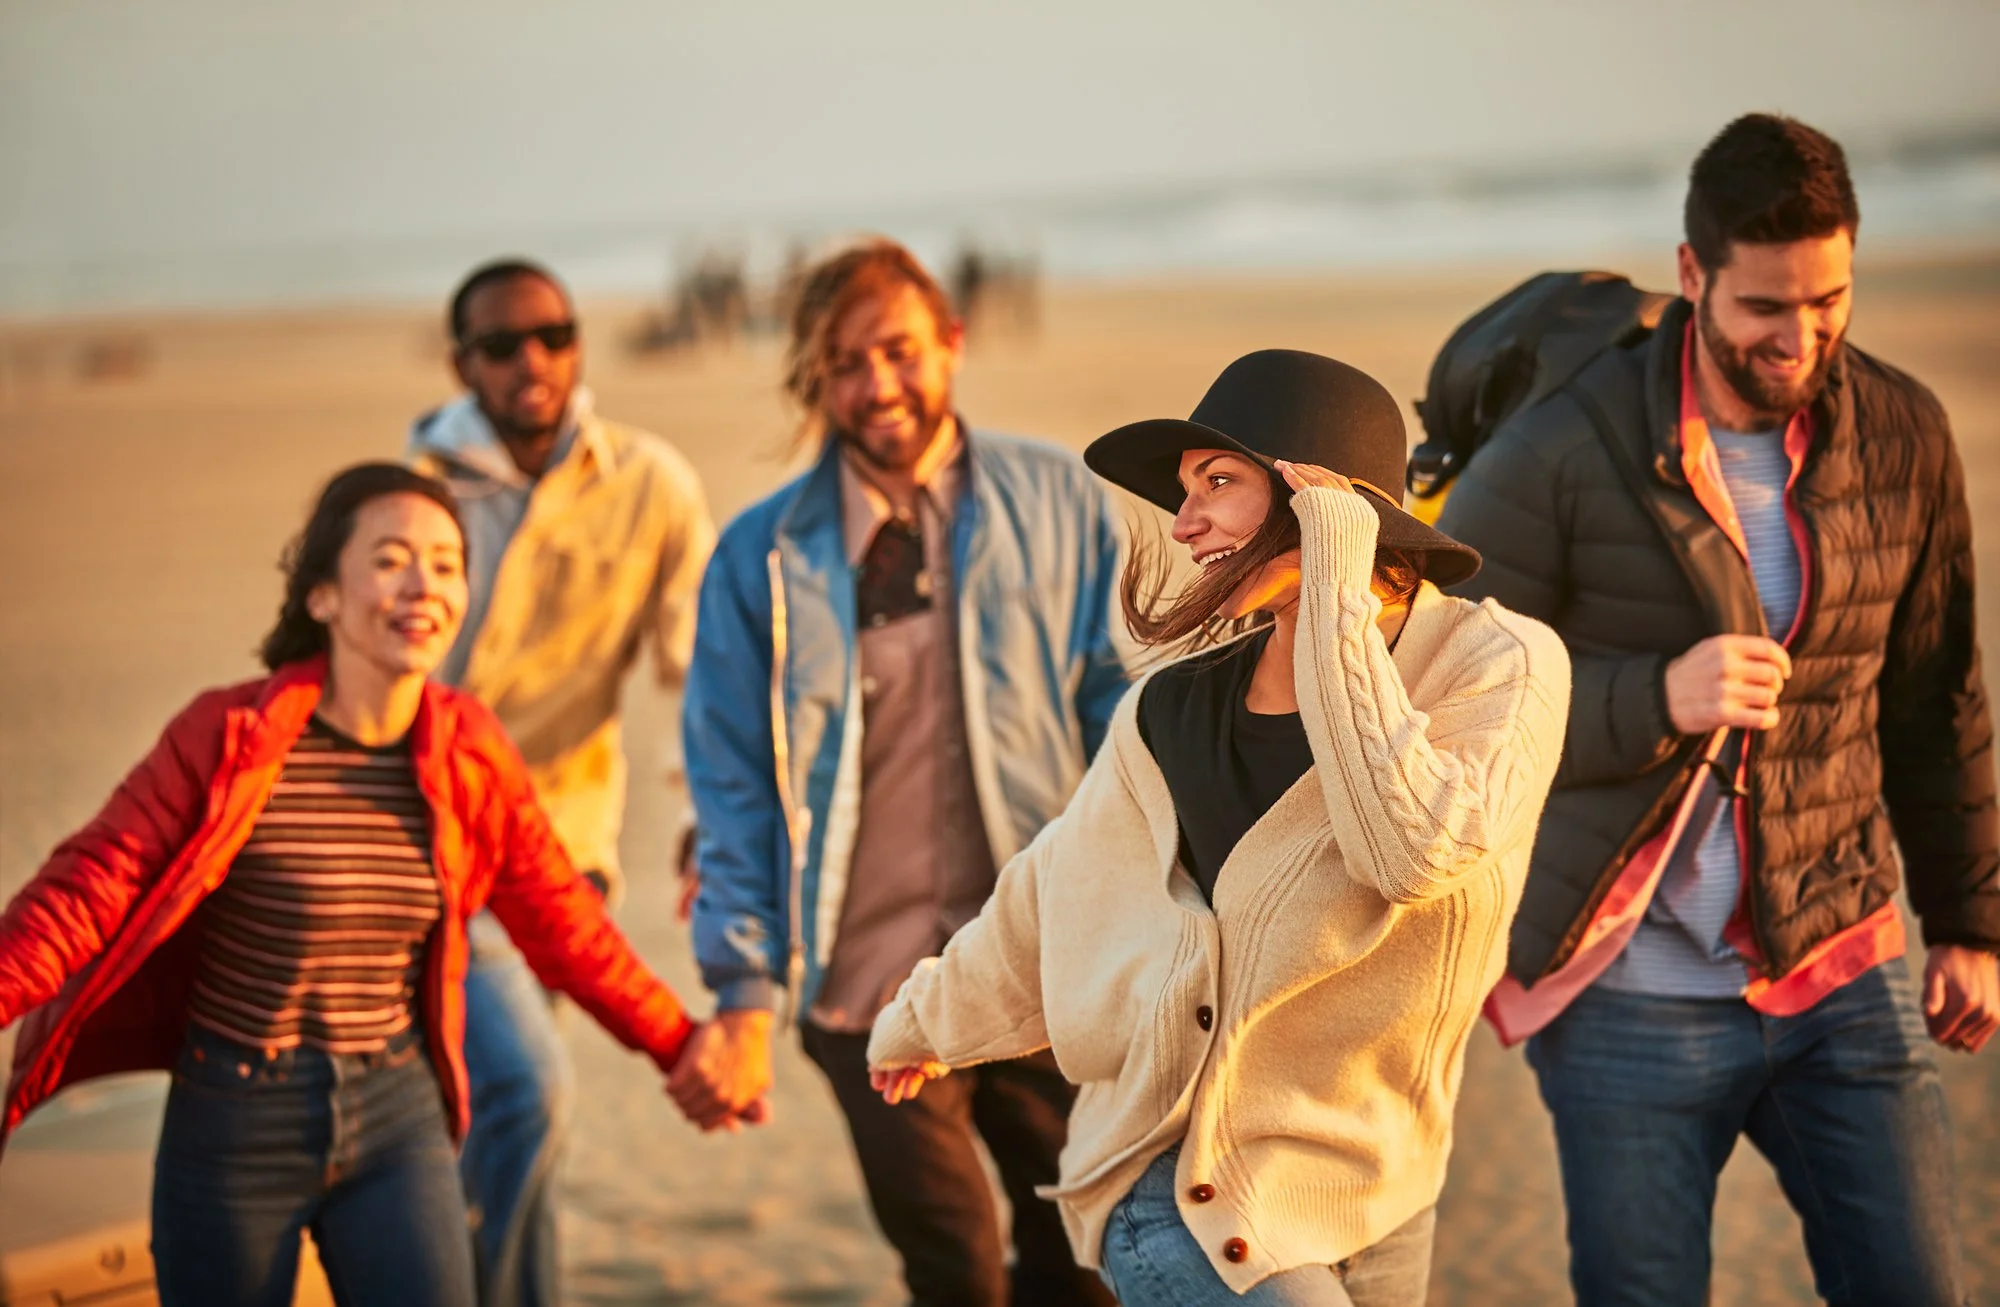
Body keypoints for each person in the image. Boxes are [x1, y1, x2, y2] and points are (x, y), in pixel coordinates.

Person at [866, 349, 1573, 1307]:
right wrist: (921, 1023)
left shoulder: (1498, 668)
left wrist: (1334, 581)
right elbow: (1050, 889)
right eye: (1186, 490)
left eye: (1219, 483)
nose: (1184, 519)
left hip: (1382, 1184)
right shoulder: (1172, 711)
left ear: (1324, 503)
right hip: (1178, 1172)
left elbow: (1412, 850)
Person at [1436, 113, 2000, 1307]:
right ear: (1692, 275)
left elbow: (1934, 689)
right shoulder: (1561, 447)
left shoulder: (1902, 430)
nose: (1800, 337)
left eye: (1828, 299)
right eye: (1762, 308)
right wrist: (1654, 696)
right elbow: (1445, 693)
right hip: (1623, 993)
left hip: (1837, 958)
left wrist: (1966, 918)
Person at [0, 464, 728, 1307]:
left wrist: (680, 1043)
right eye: (390, 559)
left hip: (396, 1112)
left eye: (448, 563)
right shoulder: (228, 736)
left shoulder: (468, 749)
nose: (425, 584)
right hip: (236, 1121)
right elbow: (87, 889)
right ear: (323, 596)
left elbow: (564, 924)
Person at [670, 239, 1129, 1307]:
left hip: (1038, 963)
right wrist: (741, 987)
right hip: (864, 981)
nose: (875, 383)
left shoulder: (1056, 498)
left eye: (898, 350)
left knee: (1084, 1250)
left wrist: (1158, 895)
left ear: (951, 345)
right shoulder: (758, 557)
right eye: (843, 362)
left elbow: (1123, 709)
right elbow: (731, 779)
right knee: (952, 1258)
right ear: (812, 379)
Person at [408, 259, 716, 1307]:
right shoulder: (415, 492)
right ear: (464, 364)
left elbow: (700, 671)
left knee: (495, 1100)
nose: (530, 359)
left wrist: (702, 818)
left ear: (577, 343)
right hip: (417, 848)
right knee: (517, 1091)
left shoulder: (649, 481)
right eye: (500, 345)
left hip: (554, 853)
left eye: (552, 333)